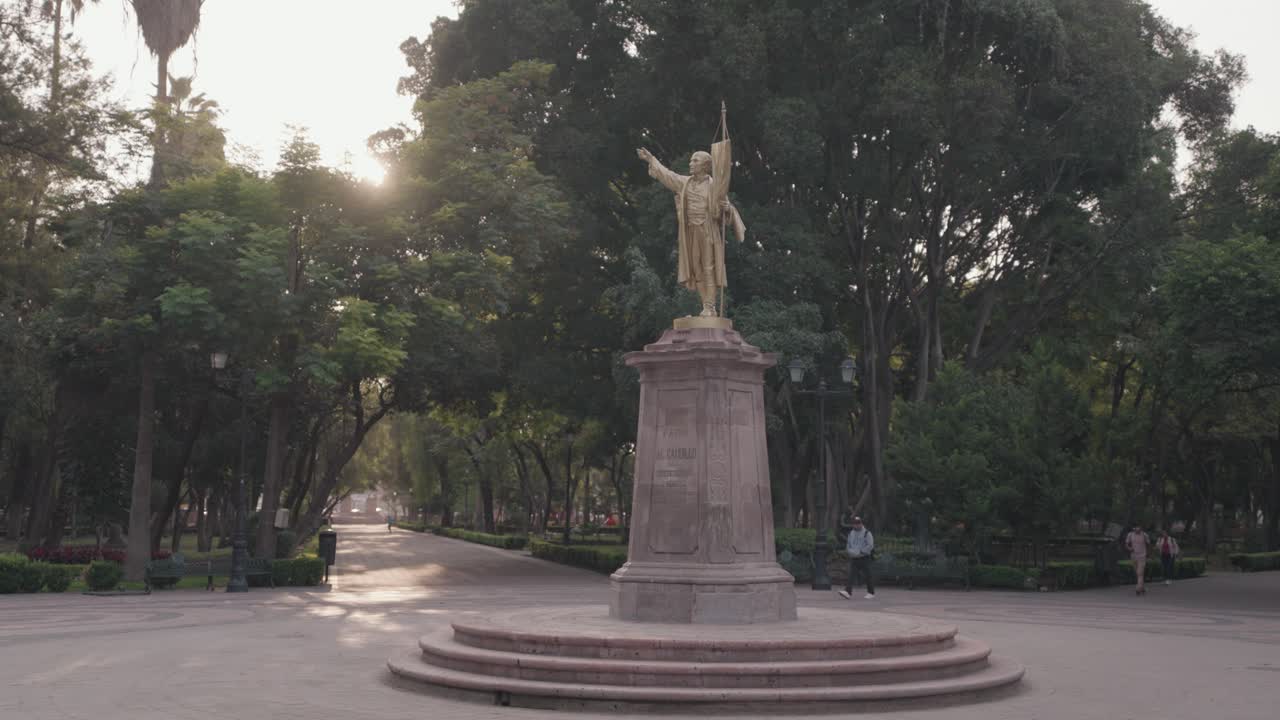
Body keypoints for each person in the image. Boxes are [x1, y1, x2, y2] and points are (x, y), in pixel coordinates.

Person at [636, 146, 745, 317]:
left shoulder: (716, 186)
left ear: (705, 166)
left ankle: (710, 306)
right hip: (691, 231)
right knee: (696, 269)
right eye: (691, 160)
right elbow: (668, 175)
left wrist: (727, 209)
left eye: (695, 160)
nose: (691, 163)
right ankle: (705, 306)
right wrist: (651, 160)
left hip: (708, 231)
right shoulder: (685, 183)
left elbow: (727, 216)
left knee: (709, 268)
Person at [838, 515, 875, 600]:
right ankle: (848, 592)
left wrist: (861, 552)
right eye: (855, 524)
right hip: (854, 557)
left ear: (861, 523)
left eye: (858, 523)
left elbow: (870, 545)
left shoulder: (867, 533)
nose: (856, 525)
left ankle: (871, 592)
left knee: (868, 575)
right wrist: (850, 552)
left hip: (864, 557)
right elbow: (849, 544)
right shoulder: (851, 533)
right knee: (851, 575)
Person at [1125, 524, 1150, 595]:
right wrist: (1129, 548)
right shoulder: (1130, 535)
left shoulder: (1145, 535)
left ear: (1141, 528)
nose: (1137, 529)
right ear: (1134, 528)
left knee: (1140, 572)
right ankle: (1142, 587)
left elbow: (1148, 544)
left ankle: (1138, 589)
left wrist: (1148, 553)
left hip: (1142, 556)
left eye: (1139, 528)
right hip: (1133, 556)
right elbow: (1126, 544)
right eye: (1136, 528)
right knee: (1137, 573)